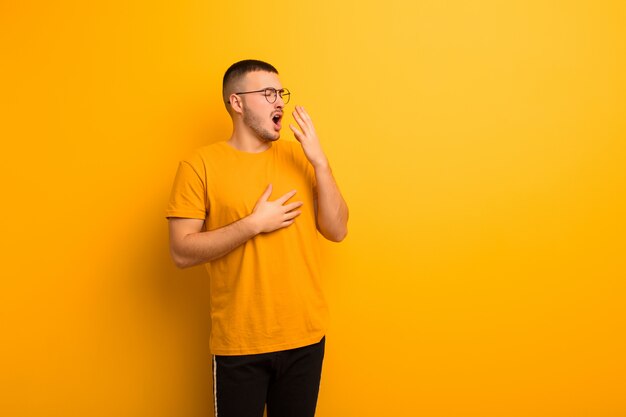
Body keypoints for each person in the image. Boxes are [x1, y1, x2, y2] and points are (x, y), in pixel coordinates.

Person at [165, 59, 349, 417]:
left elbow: (338, 230)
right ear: (237, 102)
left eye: (281, 93)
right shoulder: (199, 165)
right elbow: (181, 251)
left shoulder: (301, 158)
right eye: (267, 93)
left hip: (305, 340)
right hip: (240, 344)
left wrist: (321, 163)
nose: (279, 101)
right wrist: (252, 224)